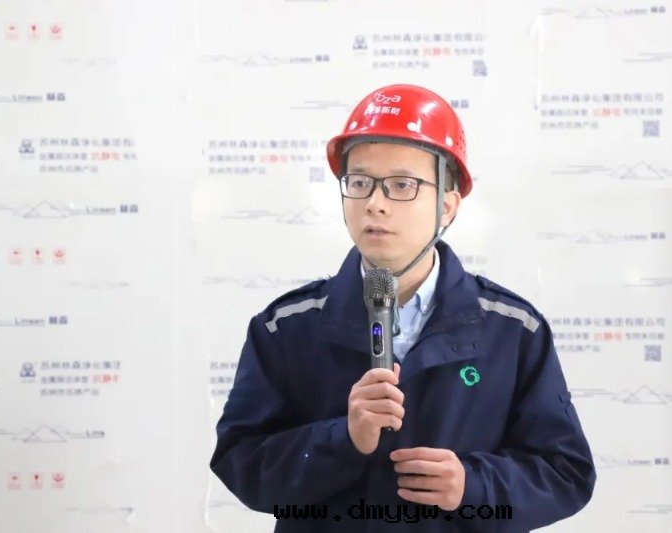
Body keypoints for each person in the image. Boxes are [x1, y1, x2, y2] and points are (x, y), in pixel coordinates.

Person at [210, 84, 596, 532]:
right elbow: (240, 462)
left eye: (401, 185)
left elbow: (565, 474)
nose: (375, 203)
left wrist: (472, 486)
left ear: (447, 206)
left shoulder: (513, 331)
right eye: (360, 183)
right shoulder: (286, 329)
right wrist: (343, 439)